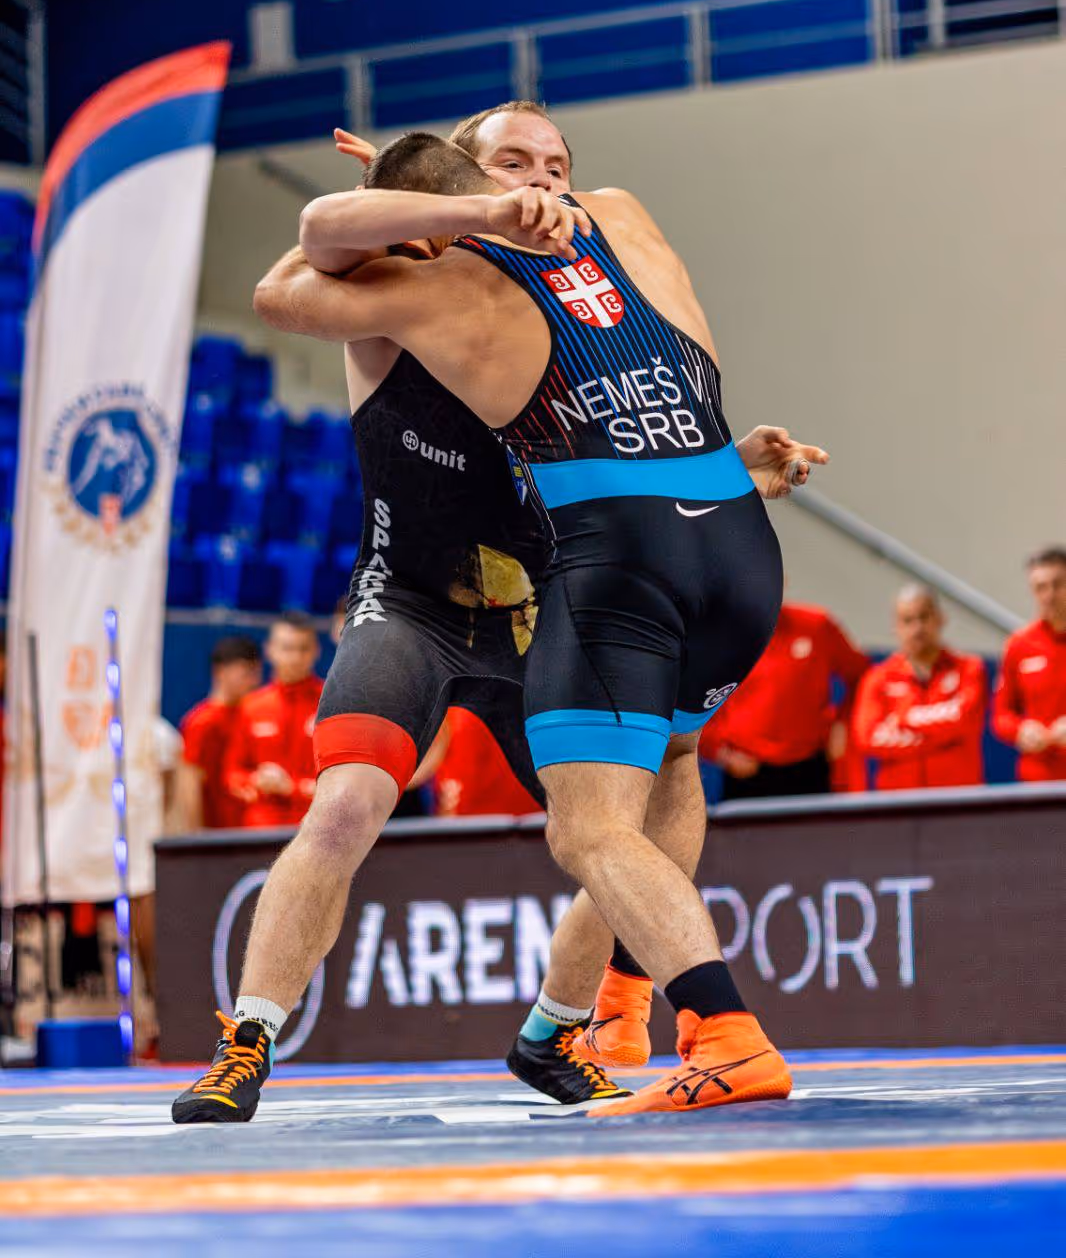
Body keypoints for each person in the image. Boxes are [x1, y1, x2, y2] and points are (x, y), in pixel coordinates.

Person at [243, 117, 829, 1117]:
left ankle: (685, 1026)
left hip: (594, 570)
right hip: (691, 547)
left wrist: (434, 197)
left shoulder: (450, 283)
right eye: (515, 165)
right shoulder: (608, 225)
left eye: (556, 168)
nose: (541, 184)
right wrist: (428, 195)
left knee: (594, 826)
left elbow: (285, 279)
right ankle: (606, 1009)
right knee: (653, 774)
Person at [702, 598, 868, 799]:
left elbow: (861, 675)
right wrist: (719, 752)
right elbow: (691, 700)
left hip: (810, 767)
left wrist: (843, 724)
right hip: (746, 771)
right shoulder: (721, 634)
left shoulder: (817, 625)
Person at [851, 586, 986, 791]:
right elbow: (867, 738)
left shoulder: (969, 668)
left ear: (940, 619)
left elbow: (966, 718)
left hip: (958, 798)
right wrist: (940, 737)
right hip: (898, 801)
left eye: (924, 617)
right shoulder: (878, 678)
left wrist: (903, 719)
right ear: (896, 627)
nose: (917, 628)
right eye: (908, 620)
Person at [222, 613, 323, 829]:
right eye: (287, 648)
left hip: (314, 828)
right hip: (261, 829)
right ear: (270, 650)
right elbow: (232, 773)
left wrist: (292, 787)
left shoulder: (330, 703)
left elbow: (343, 777)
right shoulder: (251, 706)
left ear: (316, 651)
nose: (295, 657)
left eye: (303, 649)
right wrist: (257, 781)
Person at [993, 546, 1066, 783]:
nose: (1049, 595)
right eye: (1040, 587)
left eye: (1058, 585)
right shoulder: (1019, 645)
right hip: (1038, 780)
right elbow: (1001, 715)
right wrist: (1021, 730)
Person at [178, 636, 262, 830]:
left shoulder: (254, 715)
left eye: (256, 673)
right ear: (221, 672)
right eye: (246, 673)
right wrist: (196, 837)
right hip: (217, 833)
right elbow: (189, 784)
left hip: (251, 829)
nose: (254, 681)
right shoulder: (202, 722)